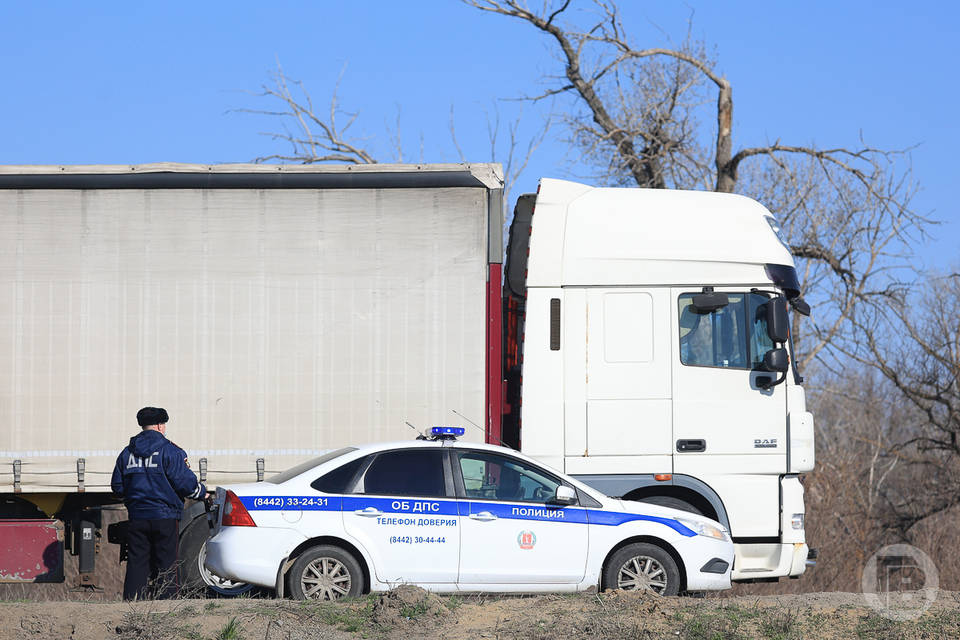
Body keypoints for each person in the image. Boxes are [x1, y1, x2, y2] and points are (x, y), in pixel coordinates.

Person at [111, 407, 206, 600]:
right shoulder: (171, 451)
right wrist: (202, 493)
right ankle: (166, 604)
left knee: (137, 562)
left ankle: (132, 603)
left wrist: (135, 499)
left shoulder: (126, 453)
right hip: (166, 516)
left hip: (138, 517)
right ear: (160, 425)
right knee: (167, 563)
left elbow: (118, 487)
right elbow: (185, 484)